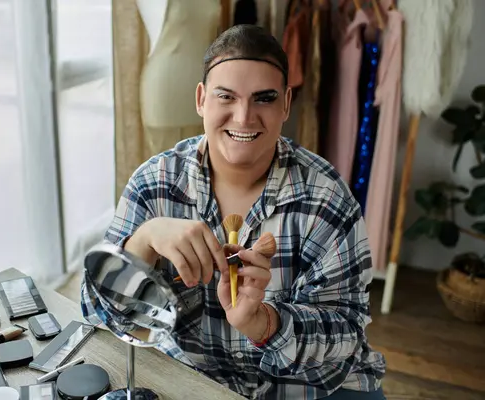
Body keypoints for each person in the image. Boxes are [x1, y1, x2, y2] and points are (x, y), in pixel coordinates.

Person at [81, 24, 386, 400]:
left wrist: (266, 325)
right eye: (226, 96)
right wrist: (143, 242)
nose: (243, 117)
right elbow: (99, 316)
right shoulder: (153, 184)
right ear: (201, 99)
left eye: (264, 98)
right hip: (197, 381)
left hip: (311, 387)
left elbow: (346, 334)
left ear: (286, 104)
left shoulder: (327, 199)